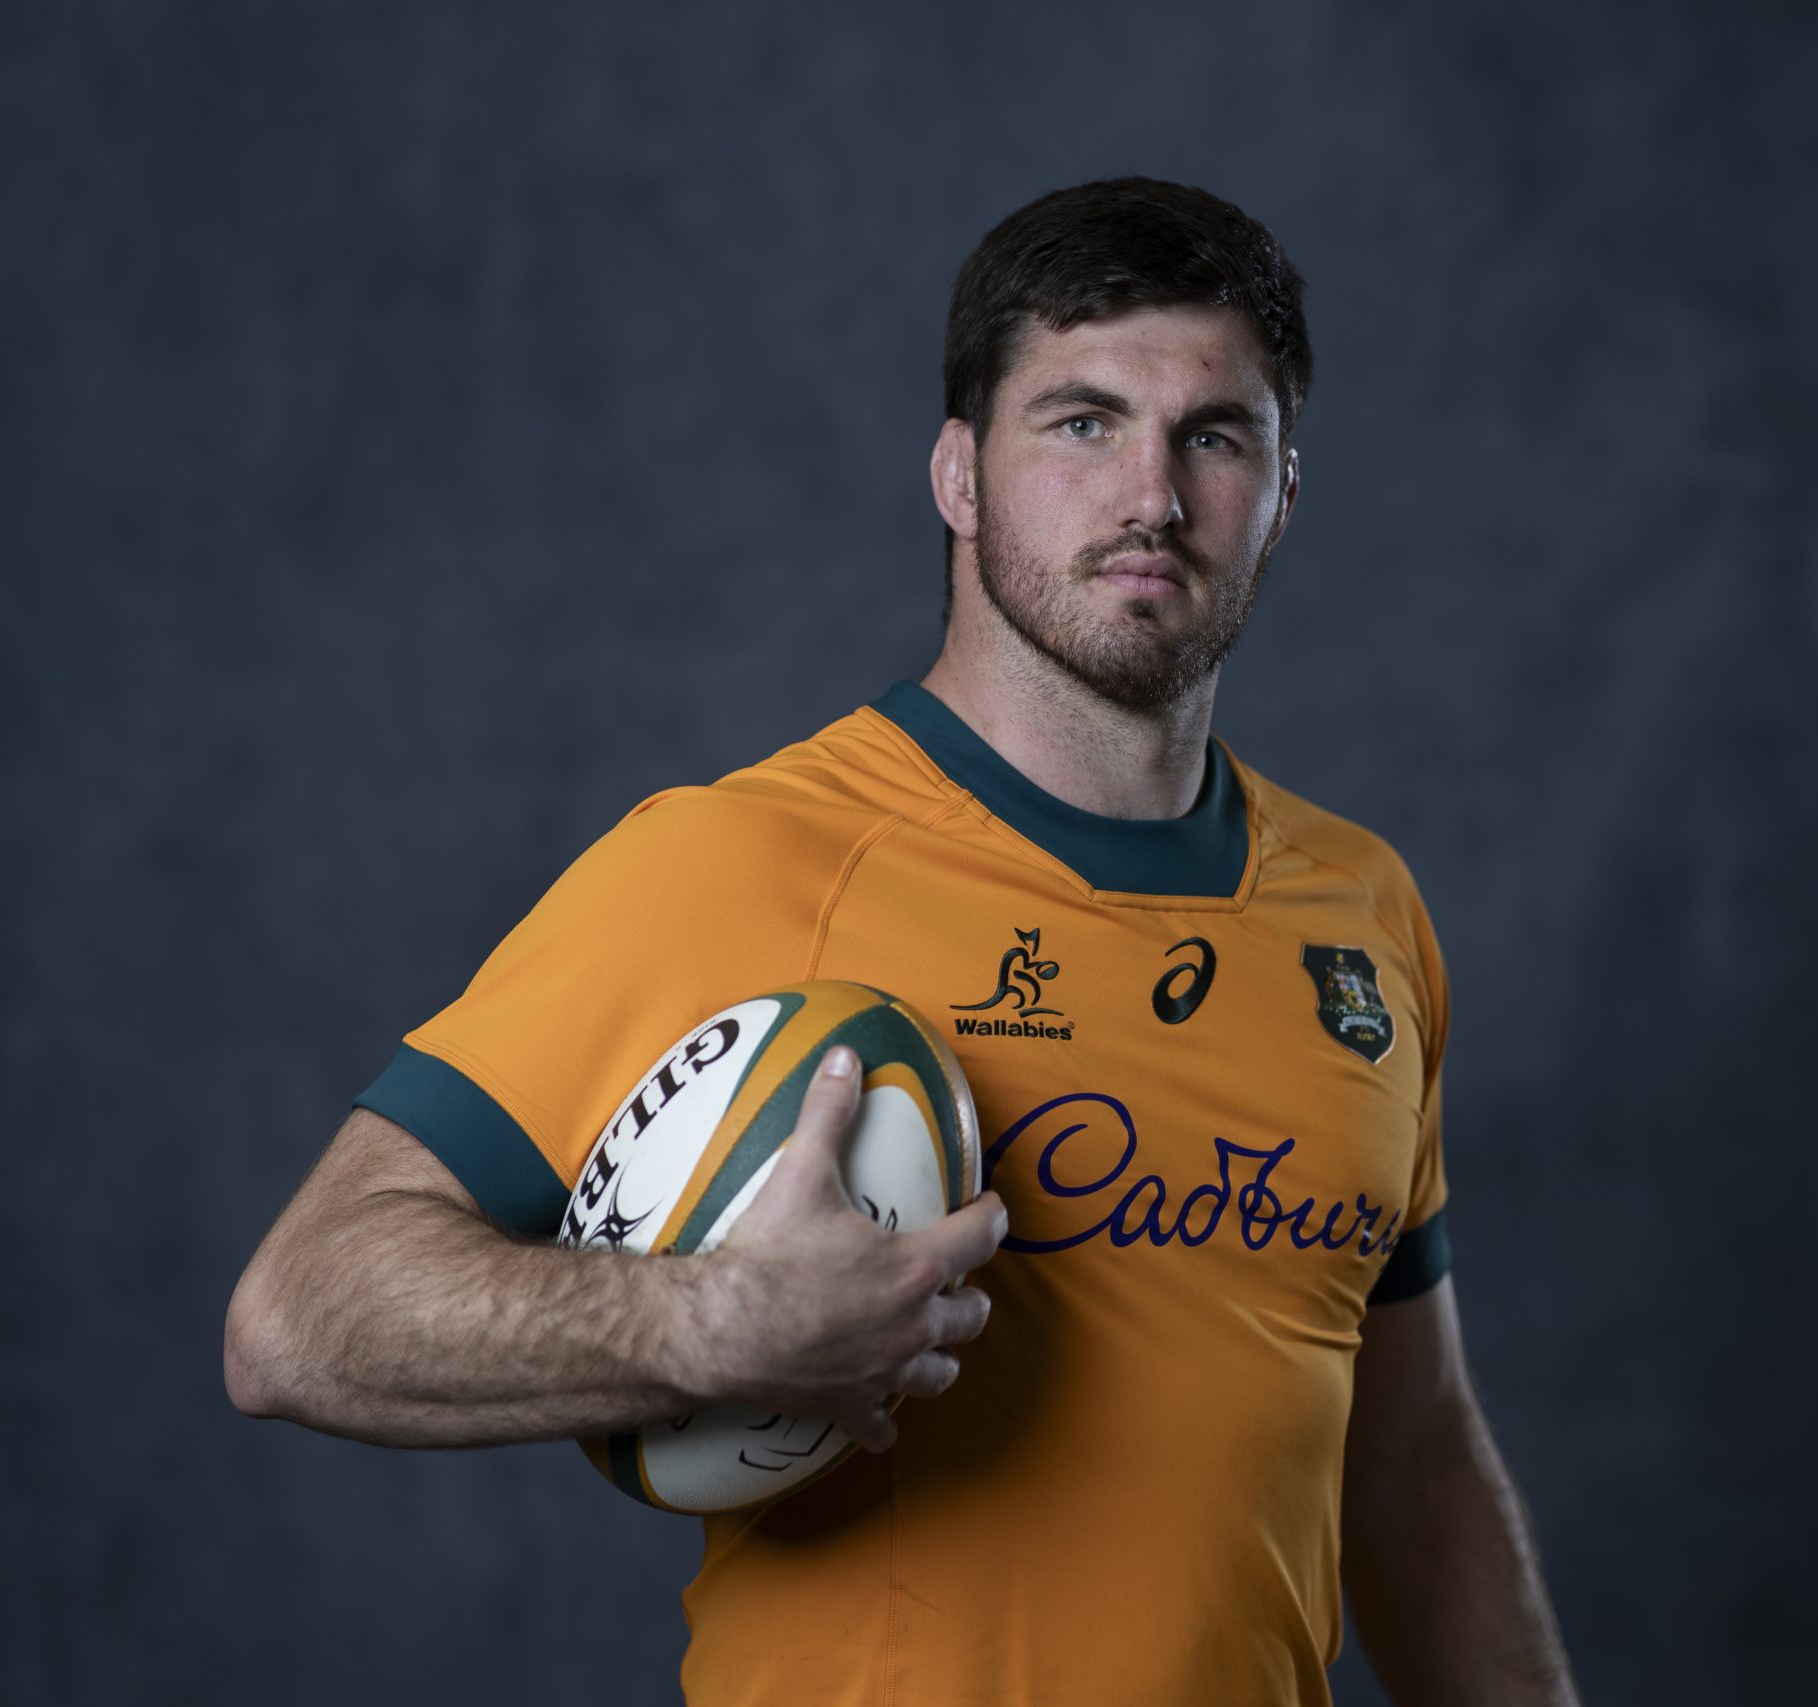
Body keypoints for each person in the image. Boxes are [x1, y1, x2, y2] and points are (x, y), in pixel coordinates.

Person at [226, 175, 1580, 1706]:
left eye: (1216, 436)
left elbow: (1409, 1464)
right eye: (1080, 422)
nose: (1151, 494)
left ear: (1283, 491)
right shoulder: (738, 863)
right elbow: (297, 1317)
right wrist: (711, 1323)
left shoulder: (1365, 915)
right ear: (959, 475)